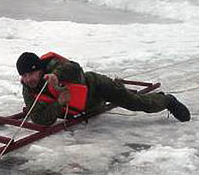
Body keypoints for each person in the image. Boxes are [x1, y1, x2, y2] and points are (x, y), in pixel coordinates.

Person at [16, 51, 191, 126]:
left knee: (137, 103)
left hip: (98, 87)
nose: (28, 79)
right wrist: (59, 103)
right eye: (24, 76)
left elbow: (75, 68)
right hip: (81, 106)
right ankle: (121, 88)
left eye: (31, 73)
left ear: (40, 69)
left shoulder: (55, 66)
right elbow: (39, 119)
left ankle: (167, 100)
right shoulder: (29, 89)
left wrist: (57, 76)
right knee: (126, 97)